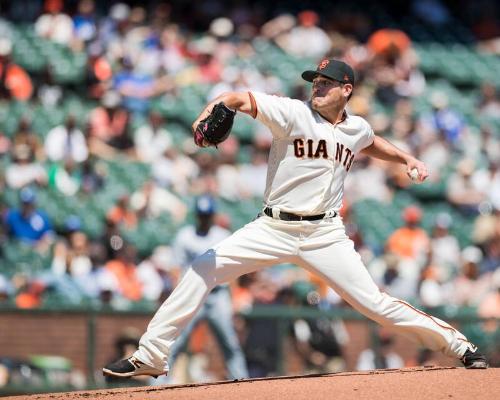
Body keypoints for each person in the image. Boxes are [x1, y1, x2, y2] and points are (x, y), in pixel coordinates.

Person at [103, 58, 488, 379]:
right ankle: (152, 355)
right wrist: (215, 104)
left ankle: (461, 347)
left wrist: (406, 158)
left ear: (347, 90)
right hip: (273, 226)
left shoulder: (356, 128)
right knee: (204, 266)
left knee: (375, 304)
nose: (317, 87)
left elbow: (371, 143)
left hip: (325, 233)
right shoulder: (292, 112)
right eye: (315, 81)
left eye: (326, 82)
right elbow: (240, 98)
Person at [164, 195, 248, 381]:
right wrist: (177, 298)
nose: (204, 218)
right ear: (196, 215)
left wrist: (233, 300)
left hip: (218, 295)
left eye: (207, 215)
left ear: (213, 215)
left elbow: (232, 269)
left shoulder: (222, 235)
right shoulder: (185, 236)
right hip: (193, 296)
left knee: (230, 343)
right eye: (201, 215)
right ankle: (158, 384)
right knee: (177, 342)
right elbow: (175, 269)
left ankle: (242, 381)